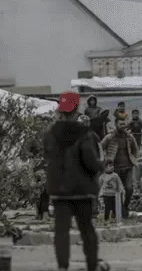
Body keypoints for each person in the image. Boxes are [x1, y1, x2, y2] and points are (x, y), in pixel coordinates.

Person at [44, 92, 105, 271]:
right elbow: (90, 160)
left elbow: (47, 156)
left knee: (61, 231)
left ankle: (63, 266)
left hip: (59, 190)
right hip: (82, 189)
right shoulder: (84, 134)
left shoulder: (50, 133)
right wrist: (100, 166)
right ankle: (92, 265)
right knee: (86, 230)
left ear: (60, 109)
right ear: (77, 108)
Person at [100, 121, 138, 218]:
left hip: (128, 167)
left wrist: (133, 159)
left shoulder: (129, 137)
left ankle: (125, 206)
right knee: (117, 191)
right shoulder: (110, 137)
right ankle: (118, 211)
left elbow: (135, 149)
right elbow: (100, 148)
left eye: (124, 124)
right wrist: (105, 161)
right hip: (115, 169)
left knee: (129, 189)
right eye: (121, 124)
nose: (123, 126)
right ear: (116, 125)